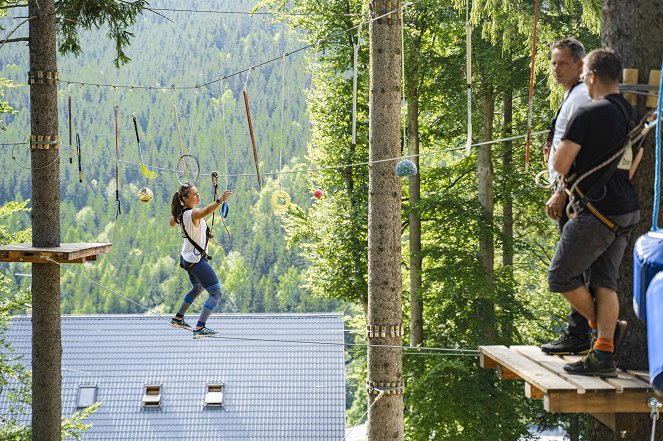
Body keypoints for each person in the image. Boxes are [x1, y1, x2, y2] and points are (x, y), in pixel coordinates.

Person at [549, 48, 639, 376]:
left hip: (597, 211)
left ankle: (606, 330)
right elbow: (632, 169)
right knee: (604, 280)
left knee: (561, 276)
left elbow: (560, 164)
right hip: (626, 209)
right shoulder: (633, 114)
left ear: (592, 76)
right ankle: (603, 353)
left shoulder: (587, 113)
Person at [540, 38, 593, 356]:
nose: (555, 68)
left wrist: (561, 191)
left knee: (572, 266)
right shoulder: (574, 95)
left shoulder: (582, 97)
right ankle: (583, 330)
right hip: (569, 190)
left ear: (579, 64)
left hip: (575, 194)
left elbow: (578, 150)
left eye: (562, 63)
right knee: (577, 265)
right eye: (553, 62)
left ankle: (582, 331)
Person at [169, 182, 232, 339]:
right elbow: (206, 211)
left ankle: (178, 318)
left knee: (197, 287)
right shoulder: (193, 213)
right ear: (185, 198)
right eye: (194, 194)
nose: (198, 196)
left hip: (187, 258)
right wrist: (220, 200)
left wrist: (203, 234)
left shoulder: (181, 213)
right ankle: (200, 327)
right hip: (196, 260)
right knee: (216, 292)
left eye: (197, 192)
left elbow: (172, 222)